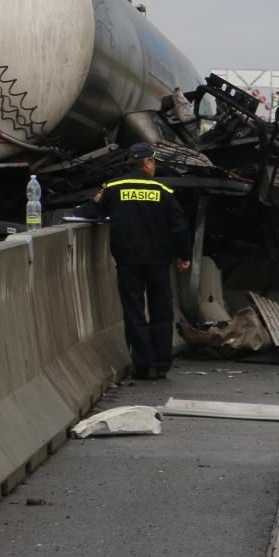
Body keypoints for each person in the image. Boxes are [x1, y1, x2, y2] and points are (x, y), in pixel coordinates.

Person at [88, 141, 192, 380]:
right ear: (146, 163)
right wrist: (184, 256)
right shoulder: (164, 193)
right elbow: (179, 228)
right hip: (158, 261)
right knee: (161, 311)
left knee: (134, 311)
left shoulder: (114, 187)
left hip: (128, 260)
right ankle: (161, 363)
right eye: (153, 162)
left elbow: (94, 211)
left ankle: (143, 365)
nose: (154, 166)